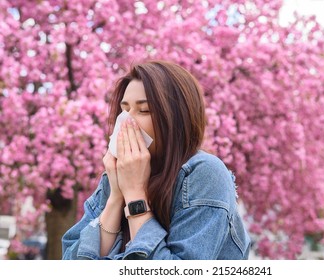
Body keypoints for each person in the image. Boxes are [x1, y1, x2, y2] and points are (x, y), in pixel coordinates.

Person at [62, 60, 251, 260]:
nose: (127, 121)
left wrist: (135, 195)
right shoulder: (117, 175)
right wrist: (116, 196)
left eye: (143, 110)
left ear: (175, 119)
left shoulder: (204, 173)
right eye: (124, 110)